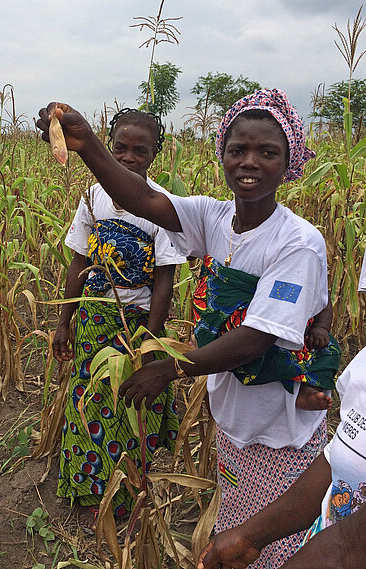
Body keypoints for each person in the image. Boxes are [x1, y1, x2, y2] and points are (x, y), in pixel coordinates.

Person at [37, 89, 337, 565]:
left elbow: (257, 337)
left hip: (279, 432)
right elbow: (139, 196)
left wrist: (168, 369)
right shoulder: (215, 217)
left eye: (268, 152)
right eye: (237, 150)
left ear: (289, 161)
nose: (250, 162)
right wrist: (88, 143)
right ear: (221, 155)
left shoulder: (298, 242)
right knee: (238, 530)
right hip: (234, 421)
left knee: (272, 546)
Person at [52, 108, 185, 531]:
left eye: (139, 150)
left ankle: (128, 494)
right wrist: (64, 320)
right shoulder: (92, 197)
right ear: (109, 148)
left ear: (154, 154)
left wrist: (150, 336)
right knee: (90, 400)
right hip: (95, 316)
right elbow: (79, 260)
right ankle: (91, 487)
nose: (129, 157)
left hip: (136, 321)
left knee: (128, 403)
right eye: (121, 148)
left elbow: (165, 278)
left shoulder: (160, 206)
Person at [196, 261, 366, 569]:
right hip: (242, 436)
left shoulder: (300, 250)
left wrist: (320, 328)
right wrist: (249, 537)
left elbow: (350, 546)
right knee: (239, 502)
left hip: (287, 443)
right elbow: (339, 458)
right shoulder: (362, 372)